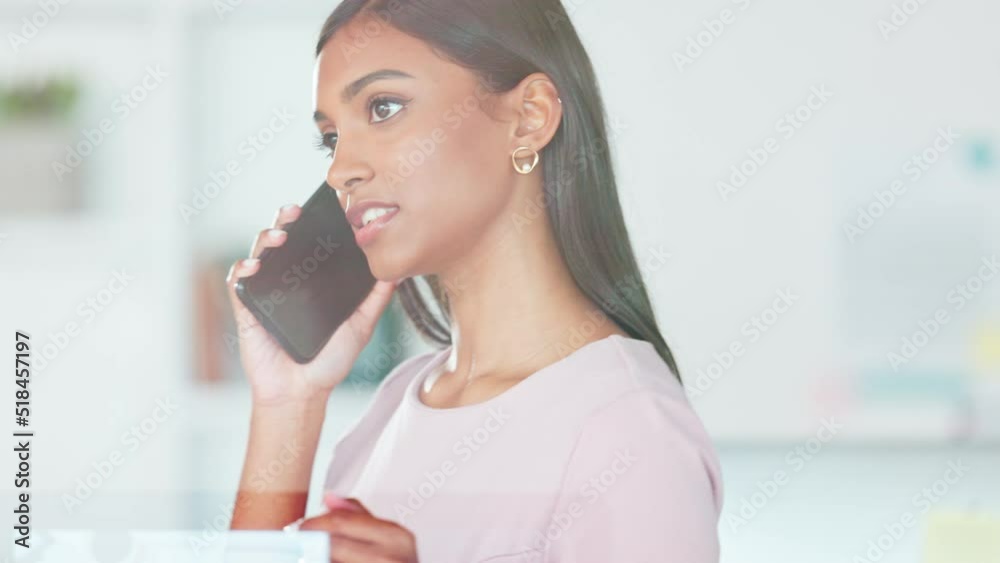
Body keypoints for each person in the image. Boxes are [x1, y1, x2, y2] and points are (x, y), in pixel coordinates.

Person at [226, 1, 723, 561]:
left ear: (529, 117)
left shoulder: (628, 431)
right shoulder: (396, 406)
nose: (340, 170)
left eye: (384, 107)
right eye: (332, 138)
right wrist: (288, 403)